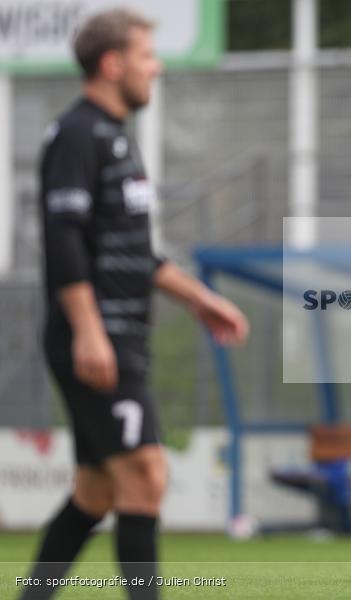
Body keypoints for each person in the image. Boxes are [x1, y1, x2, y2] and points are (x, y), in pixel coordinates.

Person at [21, 9, 249, 600]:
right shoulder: (77, 134)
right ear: (112, 63)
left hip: (120, 335)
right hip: (99, 337)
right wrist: (88, 332)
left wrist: (202, 301)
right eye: (148, 56)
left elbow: (134, 254)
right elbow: (62, 238)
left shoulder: (116, 137)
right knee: (146, 474)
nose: (158, 66)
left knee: (98, 491)